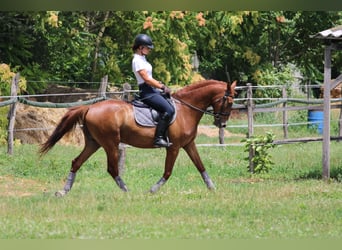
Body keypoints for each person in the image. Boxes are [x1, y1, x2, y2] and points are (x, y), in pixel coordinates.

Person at [132, 34, 175, 147]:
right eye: (148, 47)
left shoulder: (143, 59)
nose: (150, 50)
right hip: (147, 92)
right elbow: (146, 79)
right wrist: (161, 87)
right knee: (168, 110)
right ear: (140, 47)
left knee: (170, 101)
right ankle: (158, 138)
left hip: (151, 90)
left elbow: (150, 78)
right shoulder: (137, 60)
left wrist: (161, 85)